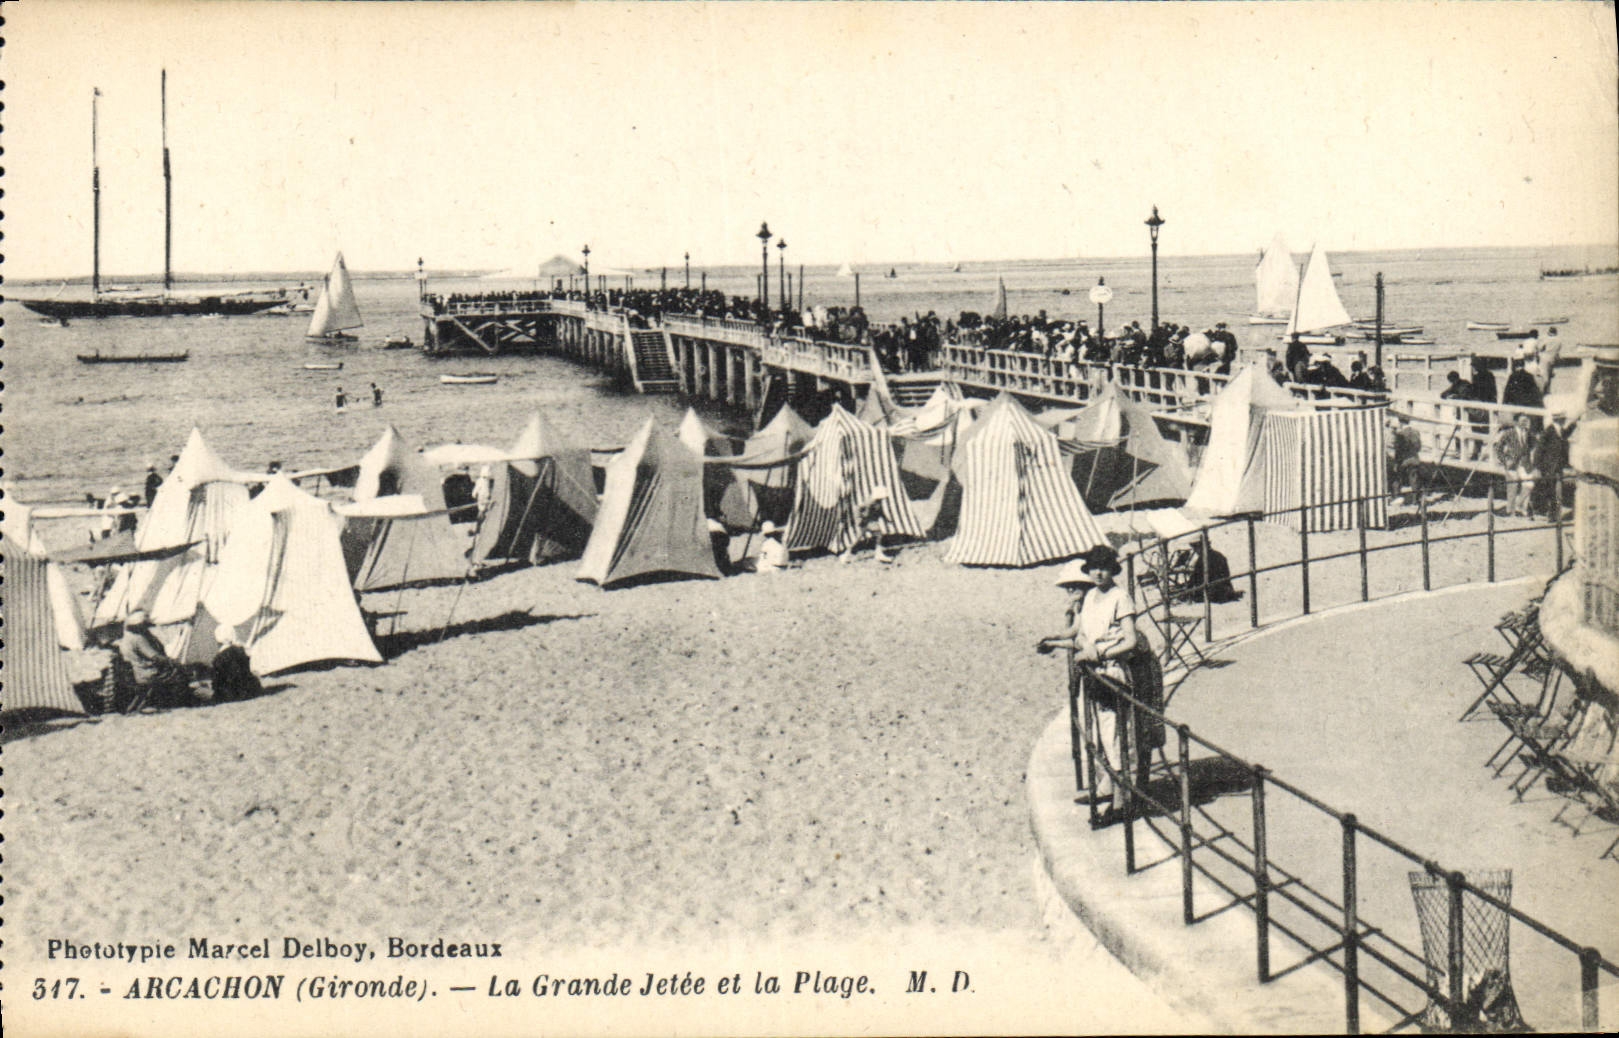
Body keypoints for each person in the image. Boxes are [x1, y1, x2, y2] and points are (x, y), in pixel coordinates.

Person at [1038, 545, 1164, 828]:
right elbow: (1080, 636)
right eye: (1093, 567)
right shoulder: (1092, 596)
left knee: (1116, 734)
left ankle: (1122, 803)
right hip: (1095, 672)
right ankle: (1115, 792)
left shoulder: (1121, 598)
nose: (1098, 572)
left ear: (1113, 570)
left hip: (1116, 672)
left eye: (1104, 567)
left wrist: (1100, 654)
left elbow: (1129, 641)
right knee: (1100, 733)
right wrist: (1054, 641)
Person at [115, 609, 193, 710]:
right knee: (180, 674)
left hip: (138, 672)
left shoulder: (126, 638)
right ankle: (178, 703)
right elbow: (154, 656)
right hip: (148, 673)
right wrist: (172, 661)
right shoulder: (138, 638)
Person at [842, 486, 894, 564]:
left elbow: (881, 511)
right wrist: (859, 520)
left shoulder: (878, 502)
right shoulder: (870, 502)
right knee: (862, 537)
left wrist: (887, 519)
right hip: (865, 521)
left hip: (871, 521)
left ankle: (878, 552)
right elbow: (857, 509)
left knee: (877, 534)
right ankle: (846, 555)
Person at [209, 628, 263, 703]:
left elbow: (216, 683)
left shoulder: (218, 659)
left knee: (200, 691)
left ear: (218, 641)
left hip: (231, 694)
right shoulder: (242, 651)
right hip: (249, 690)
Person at [1495, 415, 1534, 516]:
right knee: (1512, 487)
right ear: (1516, 422)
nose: (1524, 423)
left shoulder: (1528, 434)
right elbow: (1498, 447)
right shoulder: (1509, 433)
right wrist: (1504, 460)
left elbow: (1536, 445)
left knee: (1529, 484)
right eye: (1522, 421)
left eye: (1526, 420)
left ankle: (1520, 506)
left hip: (1524, 464)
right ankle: (1510, 511)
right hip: (1512, 463)